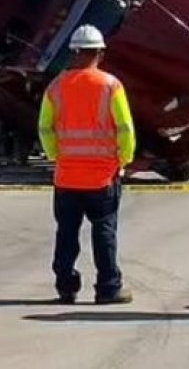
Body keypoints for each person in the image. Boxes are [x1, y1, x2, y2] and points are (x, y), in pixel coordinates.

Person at [38, 24, 136, 305]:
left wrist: (57, 156)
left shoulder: (55, 87)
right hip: (102, 177)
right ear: (100, 53)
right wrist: (124, 159)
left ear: (73, 52)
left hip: (67, 177)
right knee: (104, 232)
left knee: (66, 234)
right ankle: (108, 288)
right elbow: (125, 128)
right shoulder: (110, 85)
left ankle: (66, 287)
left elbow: (45, 128)